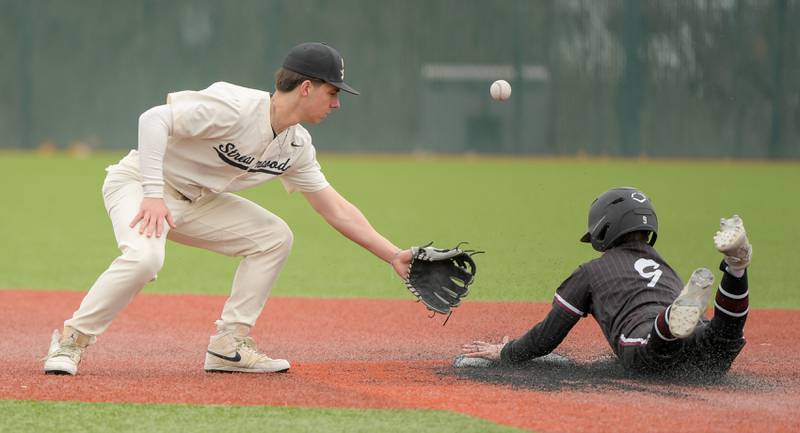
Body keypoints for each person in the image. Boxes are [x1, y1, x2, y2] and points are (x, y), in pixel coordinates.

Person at [43, 42, 413, 375]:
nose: (337, 103)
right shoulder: (236, 107)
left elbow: (336, 208)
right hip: (141, 184)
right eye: (332, 92)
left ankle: (228, 346)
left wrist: (393, 255)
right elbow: (153, 119)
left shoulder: (296, 146)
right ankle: (72, 340)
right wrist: (153, 193)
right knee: (145, 259)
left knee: (273, 237)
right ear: (306, 87)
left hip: (198, 201)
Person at [462, 187, 752, 376]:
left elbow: (547, 336)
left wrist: (507, 352)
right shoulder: (662, 264)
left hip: (643, 339)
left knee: (656, 349)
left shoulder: (591, 272)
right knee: (722, 339)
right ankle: (736, 270)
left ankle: (668, 323)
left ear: (605, 229)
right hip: (698, 346)